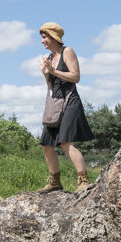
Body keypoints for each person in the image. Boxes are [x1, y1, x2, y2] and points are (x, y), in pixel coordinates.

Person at [36, 22, 94, 193]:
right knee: (46, 143)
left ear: (54, 37)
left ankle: (84, 180)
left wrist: (53, 71)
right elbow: (53, 87)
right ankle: (55, 181)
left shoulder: (67, 51)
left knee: (66, 142)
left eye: (45, 37)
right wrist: (46, 74)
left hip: (70, 101)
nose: (42, 41)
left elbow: (76, 77)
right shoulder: (48, 59)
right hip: (56, 104)